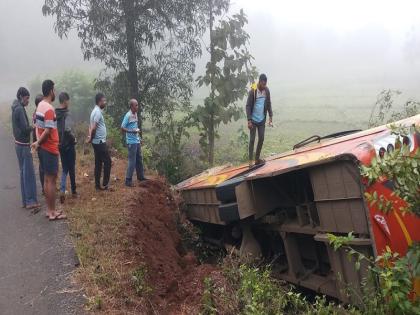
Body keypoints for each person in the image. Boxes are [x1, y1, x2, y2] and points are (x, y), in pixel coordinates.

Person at [32, 80, 66, 221]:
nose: (55, 92)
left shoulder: (40, 105)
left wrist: (37, 143)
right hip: (49, 148)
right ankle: (52, 212)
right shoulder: (49, 109)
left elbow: (37, 126)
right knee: (51, 180)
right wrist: (39, 142)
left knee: (47, 180)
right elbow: (47, 131)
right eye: (54, 89)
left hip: (42, 148)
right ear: (51, 91)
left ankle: (49, 210)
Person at [11, 87, 40, 209]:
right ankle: (31, 201)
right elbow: (24, 128)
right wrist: (34, 126)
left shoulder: (15, 107)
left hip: (18, 144)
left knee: (23, 172)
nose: (28, 101)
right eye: (27, 98)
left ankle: (26, 201)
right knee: (28, 173)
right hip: (23, 145)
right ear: (21, 97)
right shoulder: (19, 109)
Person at [246, 73, 273, 166]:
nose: (264, 86)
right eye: (262, 84)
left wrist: (270, 117)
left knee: (261, 138)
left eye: (265, 84)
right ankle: (250, 162)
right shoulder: (253, 91)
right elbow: (248, 106)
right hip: (253, 120)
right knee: (252, 140)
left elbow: (268, 103)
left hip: (261, 120)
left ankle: (257, 159)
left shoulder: (266, 90)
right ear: (259, 81)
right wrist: (249, 120)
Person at [87, 93, 112, 190]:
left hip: (96, 142)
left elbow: (91, 127)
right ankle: (105, 184)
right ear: (99, 101)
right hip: (99, 142)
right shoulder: (97, 112)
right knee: (108, 162)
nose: (105, 102)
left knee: (98, 163)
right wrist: (90, 138)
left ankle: (97, 185)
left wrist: (91, 138)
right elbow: (93, 128)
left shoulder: (95, 111)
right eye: (103, 101)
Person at [56, 92, 77, 203]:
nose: (69, 102)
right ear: (65, 101)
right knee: (72, 168)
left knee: (64, 169)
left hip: (60, 145)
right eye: (68, 100)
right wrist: (74, 139)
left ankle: (62, 189)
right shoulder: (66, 114)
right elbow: (68, 129)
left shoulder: (56, 113)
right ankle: (74, 191)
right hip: (69, 145)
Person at [120, 99, 147, 187]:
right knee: (132, 161)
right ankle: (128, 180)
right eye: (136, 105)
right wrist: (131, 131)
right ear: (131, 106)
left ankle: (141, 177)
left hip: (136, 140)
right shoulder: (127, 115)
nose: (137, 107)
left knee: (139, 158)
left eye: (137, 105)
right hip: (131, 142)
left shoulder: (135, 114)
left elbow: (135, 127)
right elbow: (122, 128)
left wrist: (139, 138)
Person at [33, 94, 45, 193]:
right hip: (40, 142)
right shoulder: (38, 114)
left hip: (39, 142)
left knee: (44, 165)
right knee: (43, 165)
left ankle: (45, 186)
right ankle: (44, 187)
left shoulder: (36, 113)